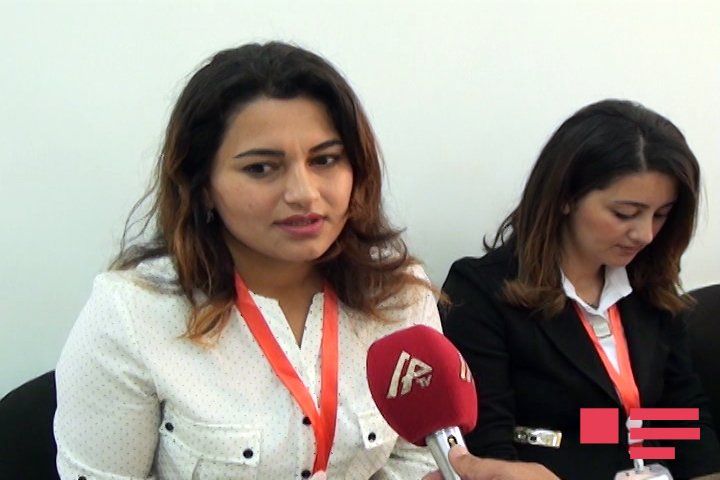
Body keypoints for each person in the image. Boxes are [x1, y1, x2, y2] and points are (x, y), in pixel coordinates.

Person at [54, 42, 444, 479]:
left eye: (325, 160)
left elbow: (420, 457)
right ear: (202, 185)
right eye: (261, 168)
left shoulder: (398, 294)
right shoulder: (133, 314)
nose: (304, 194)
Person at [441, 100, 720, 480]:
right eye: (625, 214)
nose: (645, 234)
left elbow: (681, 419)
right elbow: (490, 447)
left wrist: (636, 443)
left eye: (661, 214)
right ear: (565, 197)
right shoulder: (482, 292)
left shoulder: (648, 286)